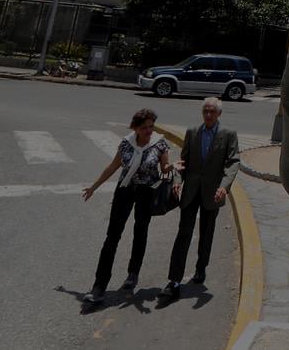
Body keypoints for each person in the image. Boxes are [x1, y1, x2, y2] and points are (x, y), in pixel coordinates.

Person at [82, 108, 173, 304]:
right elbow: (112, 167)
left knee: (140, 232)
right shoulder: (126, 143)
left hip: (146, 192)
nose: (149, 131)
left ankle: (133, 273)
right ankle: (99, 286)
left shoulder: (159, 143)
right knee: (112, 236)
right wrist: (93, 187)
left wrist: (172, 167)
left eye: (151, 126)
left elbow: (165, 168)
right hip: (125, 190)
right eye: (145, 127)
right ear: (136, 128)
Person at [159, 97, 240, 302]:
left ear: (219, 113)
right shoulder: (193, 132)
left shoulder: (228, 134)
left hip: (213, 192)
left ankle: (201, 266)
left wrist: (224, 187)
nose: (209, 115)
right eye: (206, 111)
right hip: (191, 192)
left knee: (206, 233)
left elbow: (232, 163)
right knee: (183, 234)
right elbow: (183, 161)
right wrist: (178, 180)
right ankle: (174, 281)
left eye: (212, 111)